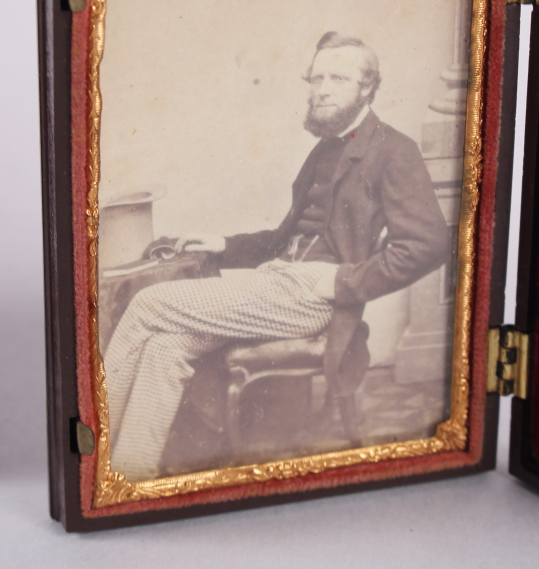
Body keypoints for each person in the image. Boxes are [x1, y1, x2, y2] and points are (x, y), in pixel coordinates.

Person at [104, 32, 450, 481]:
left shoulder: (393, 148)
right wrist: (225, 245)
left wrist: (343, 283)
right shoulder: (326, 147)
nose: (321, 88)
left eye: (338, 78)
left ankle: (89, 454)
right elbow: (287, 236)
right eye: (316, 77)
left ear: (367, 86)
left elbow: (428, 244)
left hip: (311, 295)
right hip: (276, 281)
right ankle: (128, 476)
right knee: (166, 347)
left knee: (147, 305)